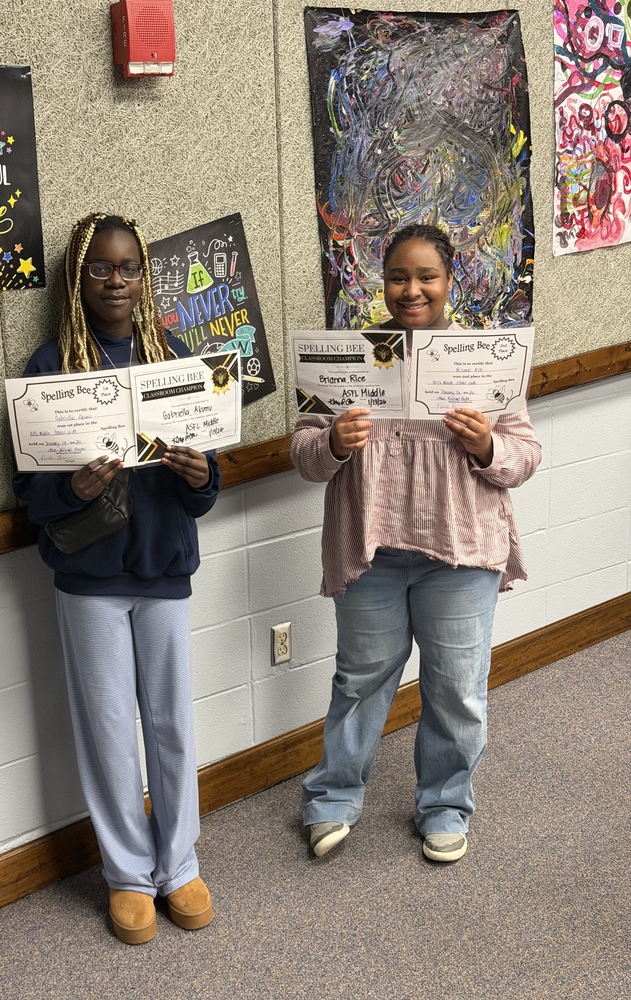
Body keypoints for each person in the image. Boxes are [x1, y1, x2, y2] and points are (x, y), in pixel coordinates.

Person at [291, 223, 541, 863]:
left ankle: (445, 804)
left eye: (427, 276)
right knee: (360, 681)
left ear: (450, 281)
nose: (412, 290)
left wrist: (486, 444)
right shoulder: (350, 358)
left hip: (458, 553)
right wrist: (332, 443)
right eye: (399, 276)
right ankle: (333, 799)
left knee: (456, 686)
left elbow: (524, 455)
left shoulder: (483, 360)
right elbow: (304, 453)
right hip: (371, 552)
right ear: (383, 283)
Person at [13, 213, 220, 943]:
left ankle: (181, 864)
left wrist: (201, 474)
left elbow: (205, 486)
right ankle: (128, 876)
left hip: (164, 569)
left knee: (171, 725)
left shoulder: (176, 356)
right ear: (77, 277)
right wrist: (72, 489)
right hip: (89, 578)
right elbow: (32, 499)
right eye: (99, 268)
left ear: (144, 275)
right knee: (106, 731)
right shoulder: (51, 370)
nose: (116, 280)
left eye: (128, 266)